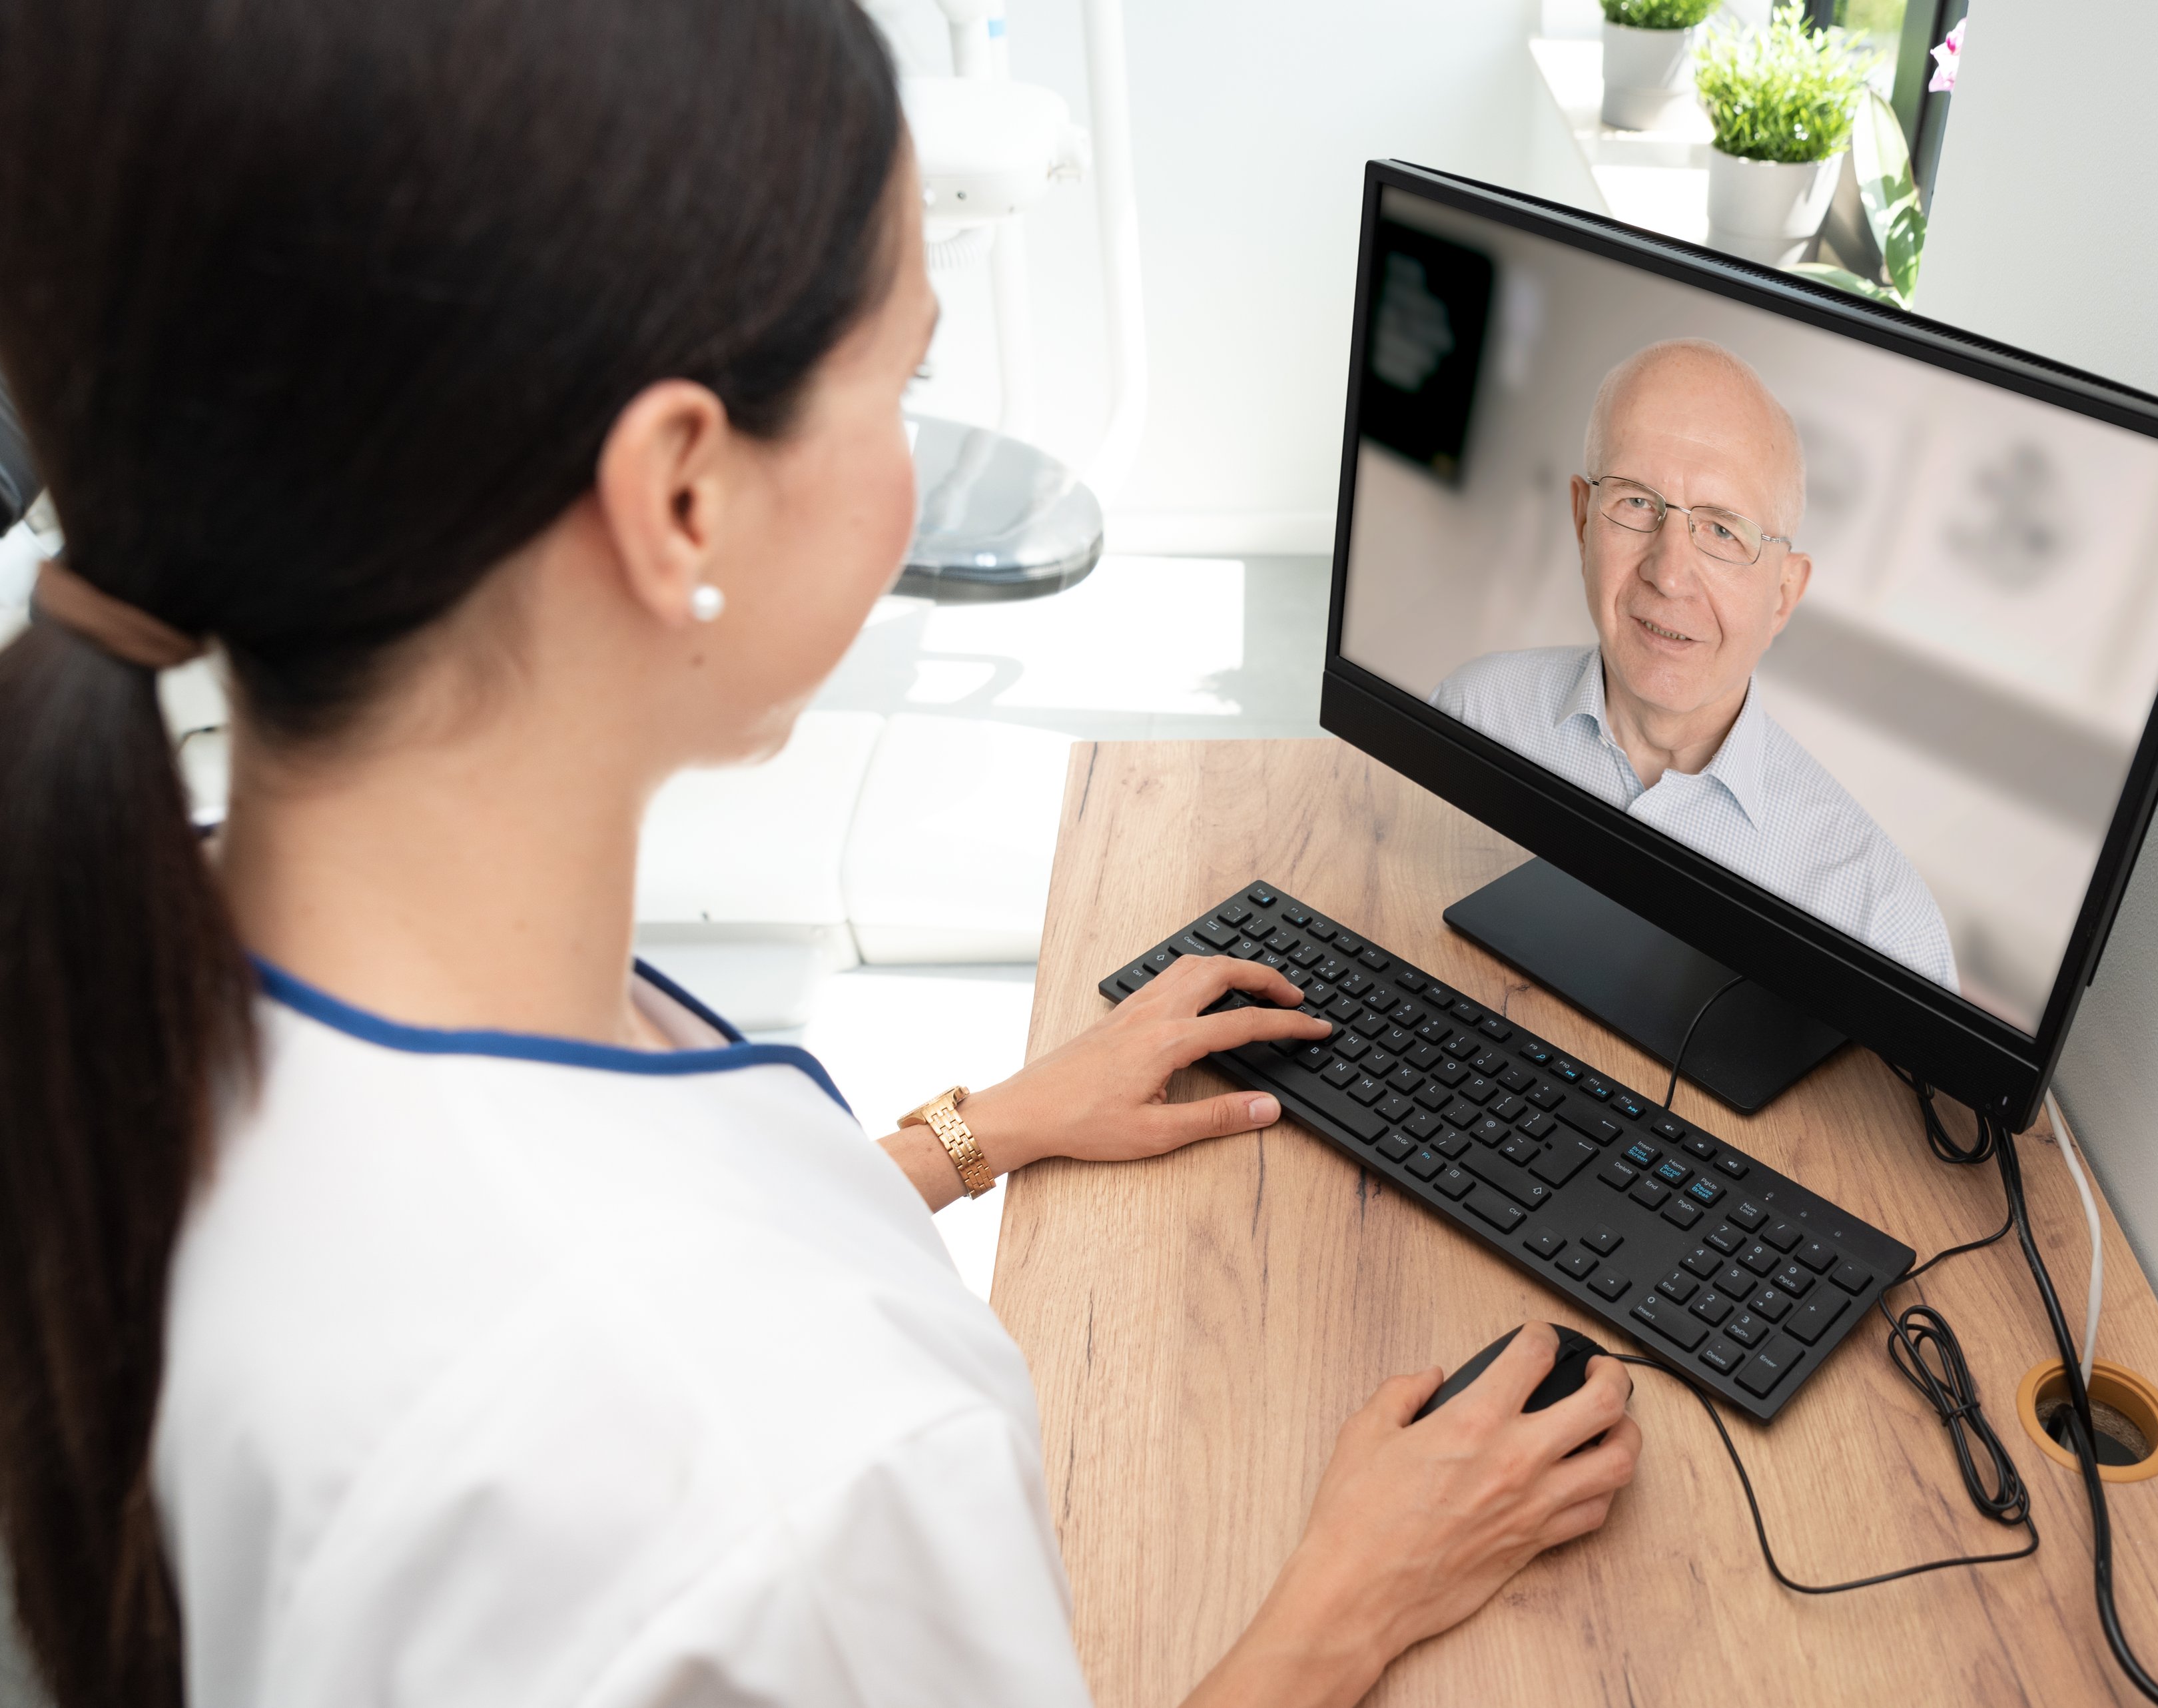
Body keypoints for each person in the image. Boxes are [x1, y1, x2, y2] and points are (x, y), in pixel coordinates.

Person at [0, 5, 1641, 1706]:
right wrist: (1348, 1598)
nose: (919, 453)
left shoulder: (137, 941)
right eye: (903, 378)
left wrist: (974, 1130)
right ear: (682, 500)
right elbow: (686, 1394)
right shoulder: (804, 1475)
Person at [1432, 338, 1958, 989]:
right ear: (1581, 520)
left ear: (1784, 595)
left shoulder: (1879, 915)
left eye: (1721, 530)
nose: (1669, 573)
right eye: (1635, 503)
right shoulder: (1471, 713)